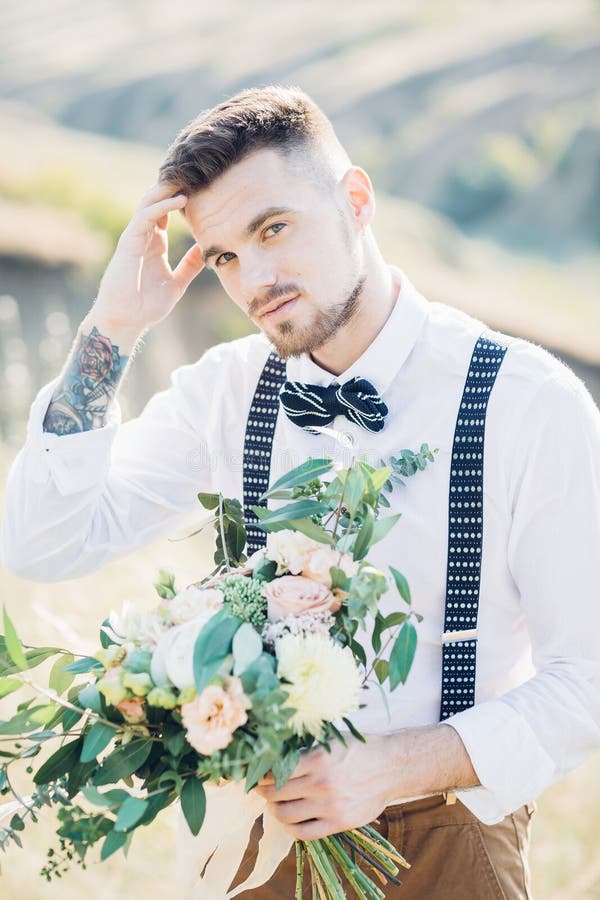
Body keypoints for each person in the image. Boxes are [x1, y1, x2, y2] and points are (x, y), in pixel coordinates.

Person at [2, 85, 599, 899]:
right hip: (250, 848)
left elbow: (585, 678)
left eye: (273, 228)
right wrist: (111, 328)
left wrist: (390, 768)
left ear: (355, 200)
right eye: (225, 257)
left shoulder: (528, 403)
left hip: (452, 847)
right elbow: (42, 543)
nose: (257, 278)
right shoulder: (226, 392)